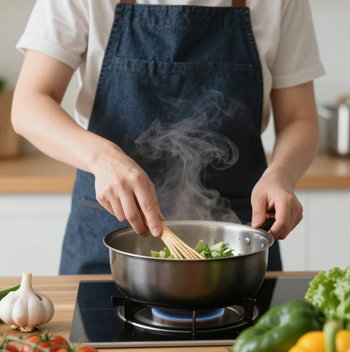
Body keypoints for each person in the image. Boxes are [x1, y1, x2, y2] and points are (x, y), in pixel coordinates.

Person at [12, 0, 324, 274]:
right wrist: (103, 158)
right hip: (110, 233)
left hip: (237, 237)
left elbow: (299, 117)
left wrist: (282, 175)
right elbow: (29, 105)